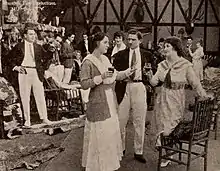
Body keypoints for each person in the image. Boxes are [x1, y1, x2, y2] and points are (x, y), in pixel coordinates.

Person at [148, 36, 209, 167]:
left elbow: (195, 83)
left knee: (168, 130)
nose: (164, 49)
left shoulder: (185, 65)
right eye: (164, 46)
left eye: (167, 46)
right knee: (160, 127)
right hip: (162, 99)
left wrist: (204, 97)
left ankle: (169, 152)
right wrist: (150, 76)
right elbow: (153, 82)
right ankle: (167, 153)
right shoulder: (162, 65)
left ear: (175, 48)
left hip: (176, 99)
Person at [81, 32, 135, 171]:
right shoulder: (88, 61)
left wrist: (128, 71)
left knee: (109, 133)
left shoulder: (105, 59)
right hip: (98, 102)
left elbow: (115, 75)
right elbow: (84, 84)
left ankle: (108, 164)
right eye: (105, 42)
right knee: (101, 134)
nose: (108, 45)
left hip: (110, 100)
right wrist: (101, 77)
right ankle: (98, 166)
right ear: (97, 43)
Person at [113, 29, 154, 163]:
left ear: (140, 40)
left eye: (133, 39)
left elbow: (153, 73)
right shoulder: (120, 55)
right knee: (121, 120)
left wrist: (149, 78)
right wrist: (121, 77)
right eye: (128, 39)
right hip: (124, 87)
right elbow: (114, 73)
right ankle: (120, 149)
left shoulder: (148, 55)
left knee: (139, 120)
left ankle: (139, 151)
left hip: (139, 86)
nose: (130, 42)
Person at [8, 25, 52, 127]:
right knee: (25, 96)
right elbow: (8, 58)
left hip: (36, 72)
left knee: (40, 96)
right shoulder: (19, 46)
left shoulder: (38, 47)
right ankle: (27, 120)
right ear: (25, 36)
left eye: (34, 34)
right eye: (31, 34)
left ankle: (44, 118)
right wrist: (16, 67)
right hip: (24, 72)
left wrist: (51, 51)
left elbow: (46, 58)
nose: (33, 36)